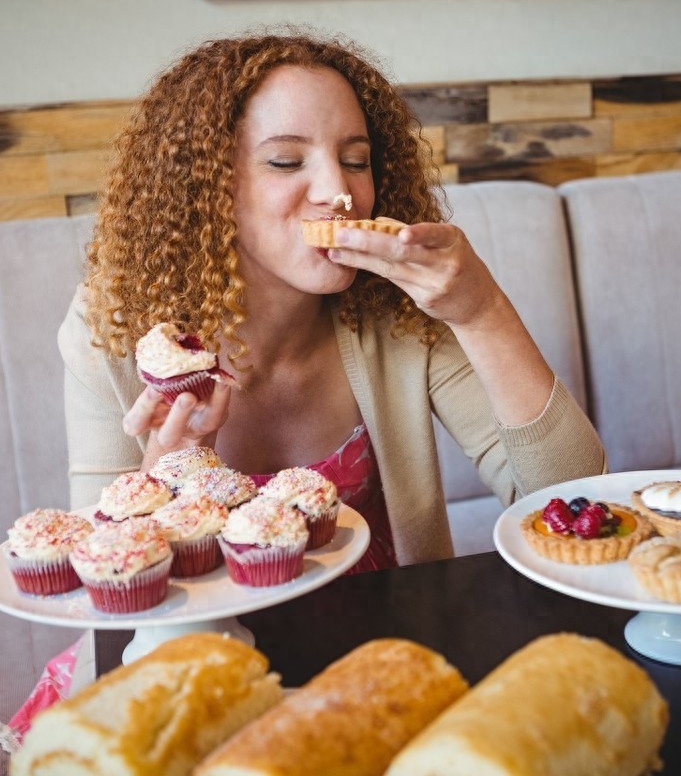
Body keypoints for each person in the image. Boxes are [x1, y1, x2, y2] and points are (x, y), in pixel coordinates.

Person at [57, 28, 607, 573]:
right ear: (205, 187)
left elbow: (580, 503)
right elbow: (103, 586)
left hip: (383, 645)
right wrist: (168, 468)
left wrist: (482, 311)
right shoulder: (112, 325)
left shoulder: (400, 306)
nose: (339, 192)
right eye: (286, 162)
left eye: (356, 159)